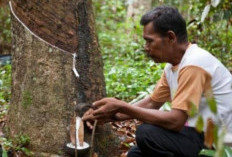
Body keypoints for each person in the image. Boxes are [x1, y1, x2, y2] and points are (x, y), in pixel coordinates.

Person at [82, 6, 232, 157]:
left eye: (150, 41)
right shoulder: (173, 66)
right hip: (198, 134)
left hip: (219, 143)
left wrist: (121, 106)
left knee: (146, 133)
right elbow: (152, 103)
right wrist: (112, 115)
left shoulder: (194, 64)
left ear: (171, 37)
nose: (146, 48)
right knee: (135, 154)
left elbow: (176, 121)